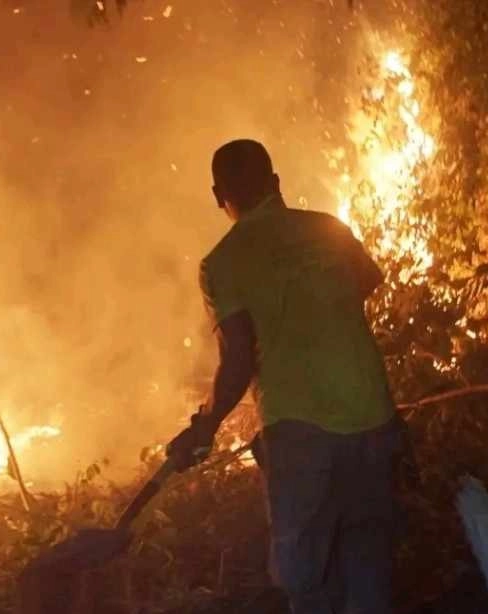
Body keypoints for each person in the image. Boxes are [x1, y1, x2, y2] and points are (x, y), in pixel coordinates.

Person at [166, 139, 407, 614]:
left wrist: (205, 426)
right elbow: (367, 282)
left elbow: (237, 361)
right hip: (374, 415)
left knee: (305, 576)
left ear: (219, 196)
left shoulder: (221, 263)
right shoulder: (328, 228)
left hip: (299, 429)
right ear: (276, 183)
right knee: (367, 554)